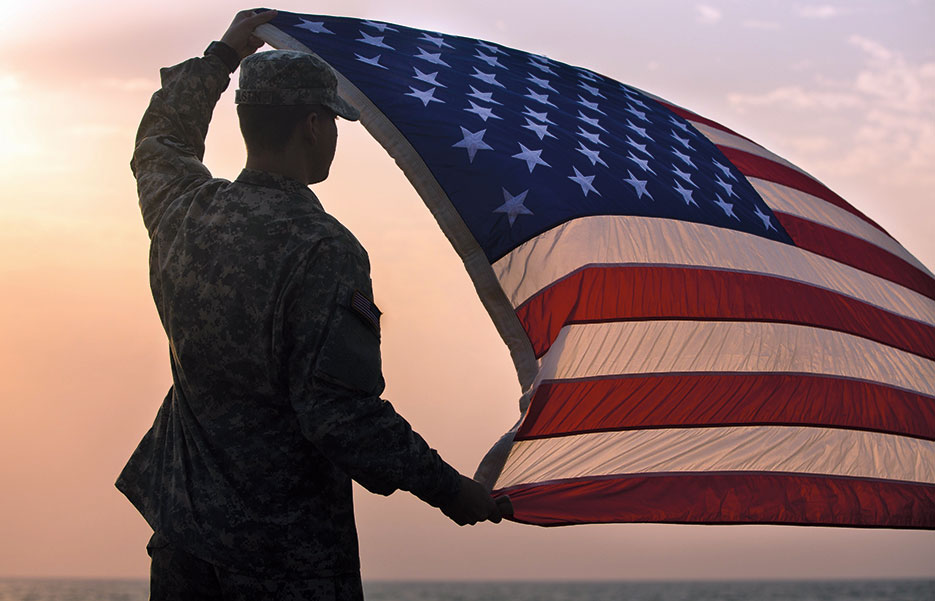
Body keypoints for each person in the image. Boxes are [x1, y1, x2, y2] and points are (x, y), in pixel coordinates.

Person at [116, 10, 502, 600]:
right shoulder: (323, 248)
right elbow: (340, 415)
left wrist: (223, 56)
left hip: (184, 544)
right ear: (315, 125)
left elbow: (160, 139)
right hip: (286, 563)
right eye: (336, 124)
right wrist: (452, 490)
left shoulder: (183, 212)